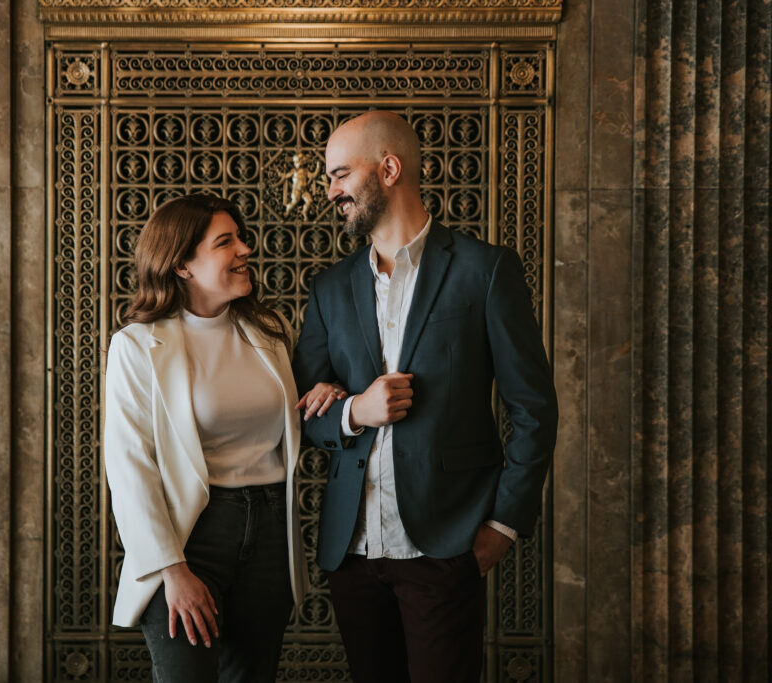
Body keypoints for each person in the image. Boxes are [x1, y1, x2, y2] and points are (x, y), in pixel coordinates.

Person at [292, 112, 558, 682]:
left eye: (340, 174)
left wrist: (504, 526)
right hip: (352, 552)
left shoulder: (485, 272)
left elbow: (533, 410)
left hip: (445, 548)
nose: (331, 190)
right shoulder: (330, 288)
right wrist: (352, 412)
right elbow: (302, 418)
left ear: (389, 169)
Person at [103, 194, 344, 683]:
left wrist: (329, 392)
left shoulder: (270, 331)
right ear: (184, 265)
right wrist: (173, 570)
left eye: (241, 237)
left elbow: (301, 417)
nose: (245, 249)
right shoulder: (136, 346)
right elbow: (131, 470)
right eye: (225, 242)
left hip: (271, 528)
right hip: (190, 538)